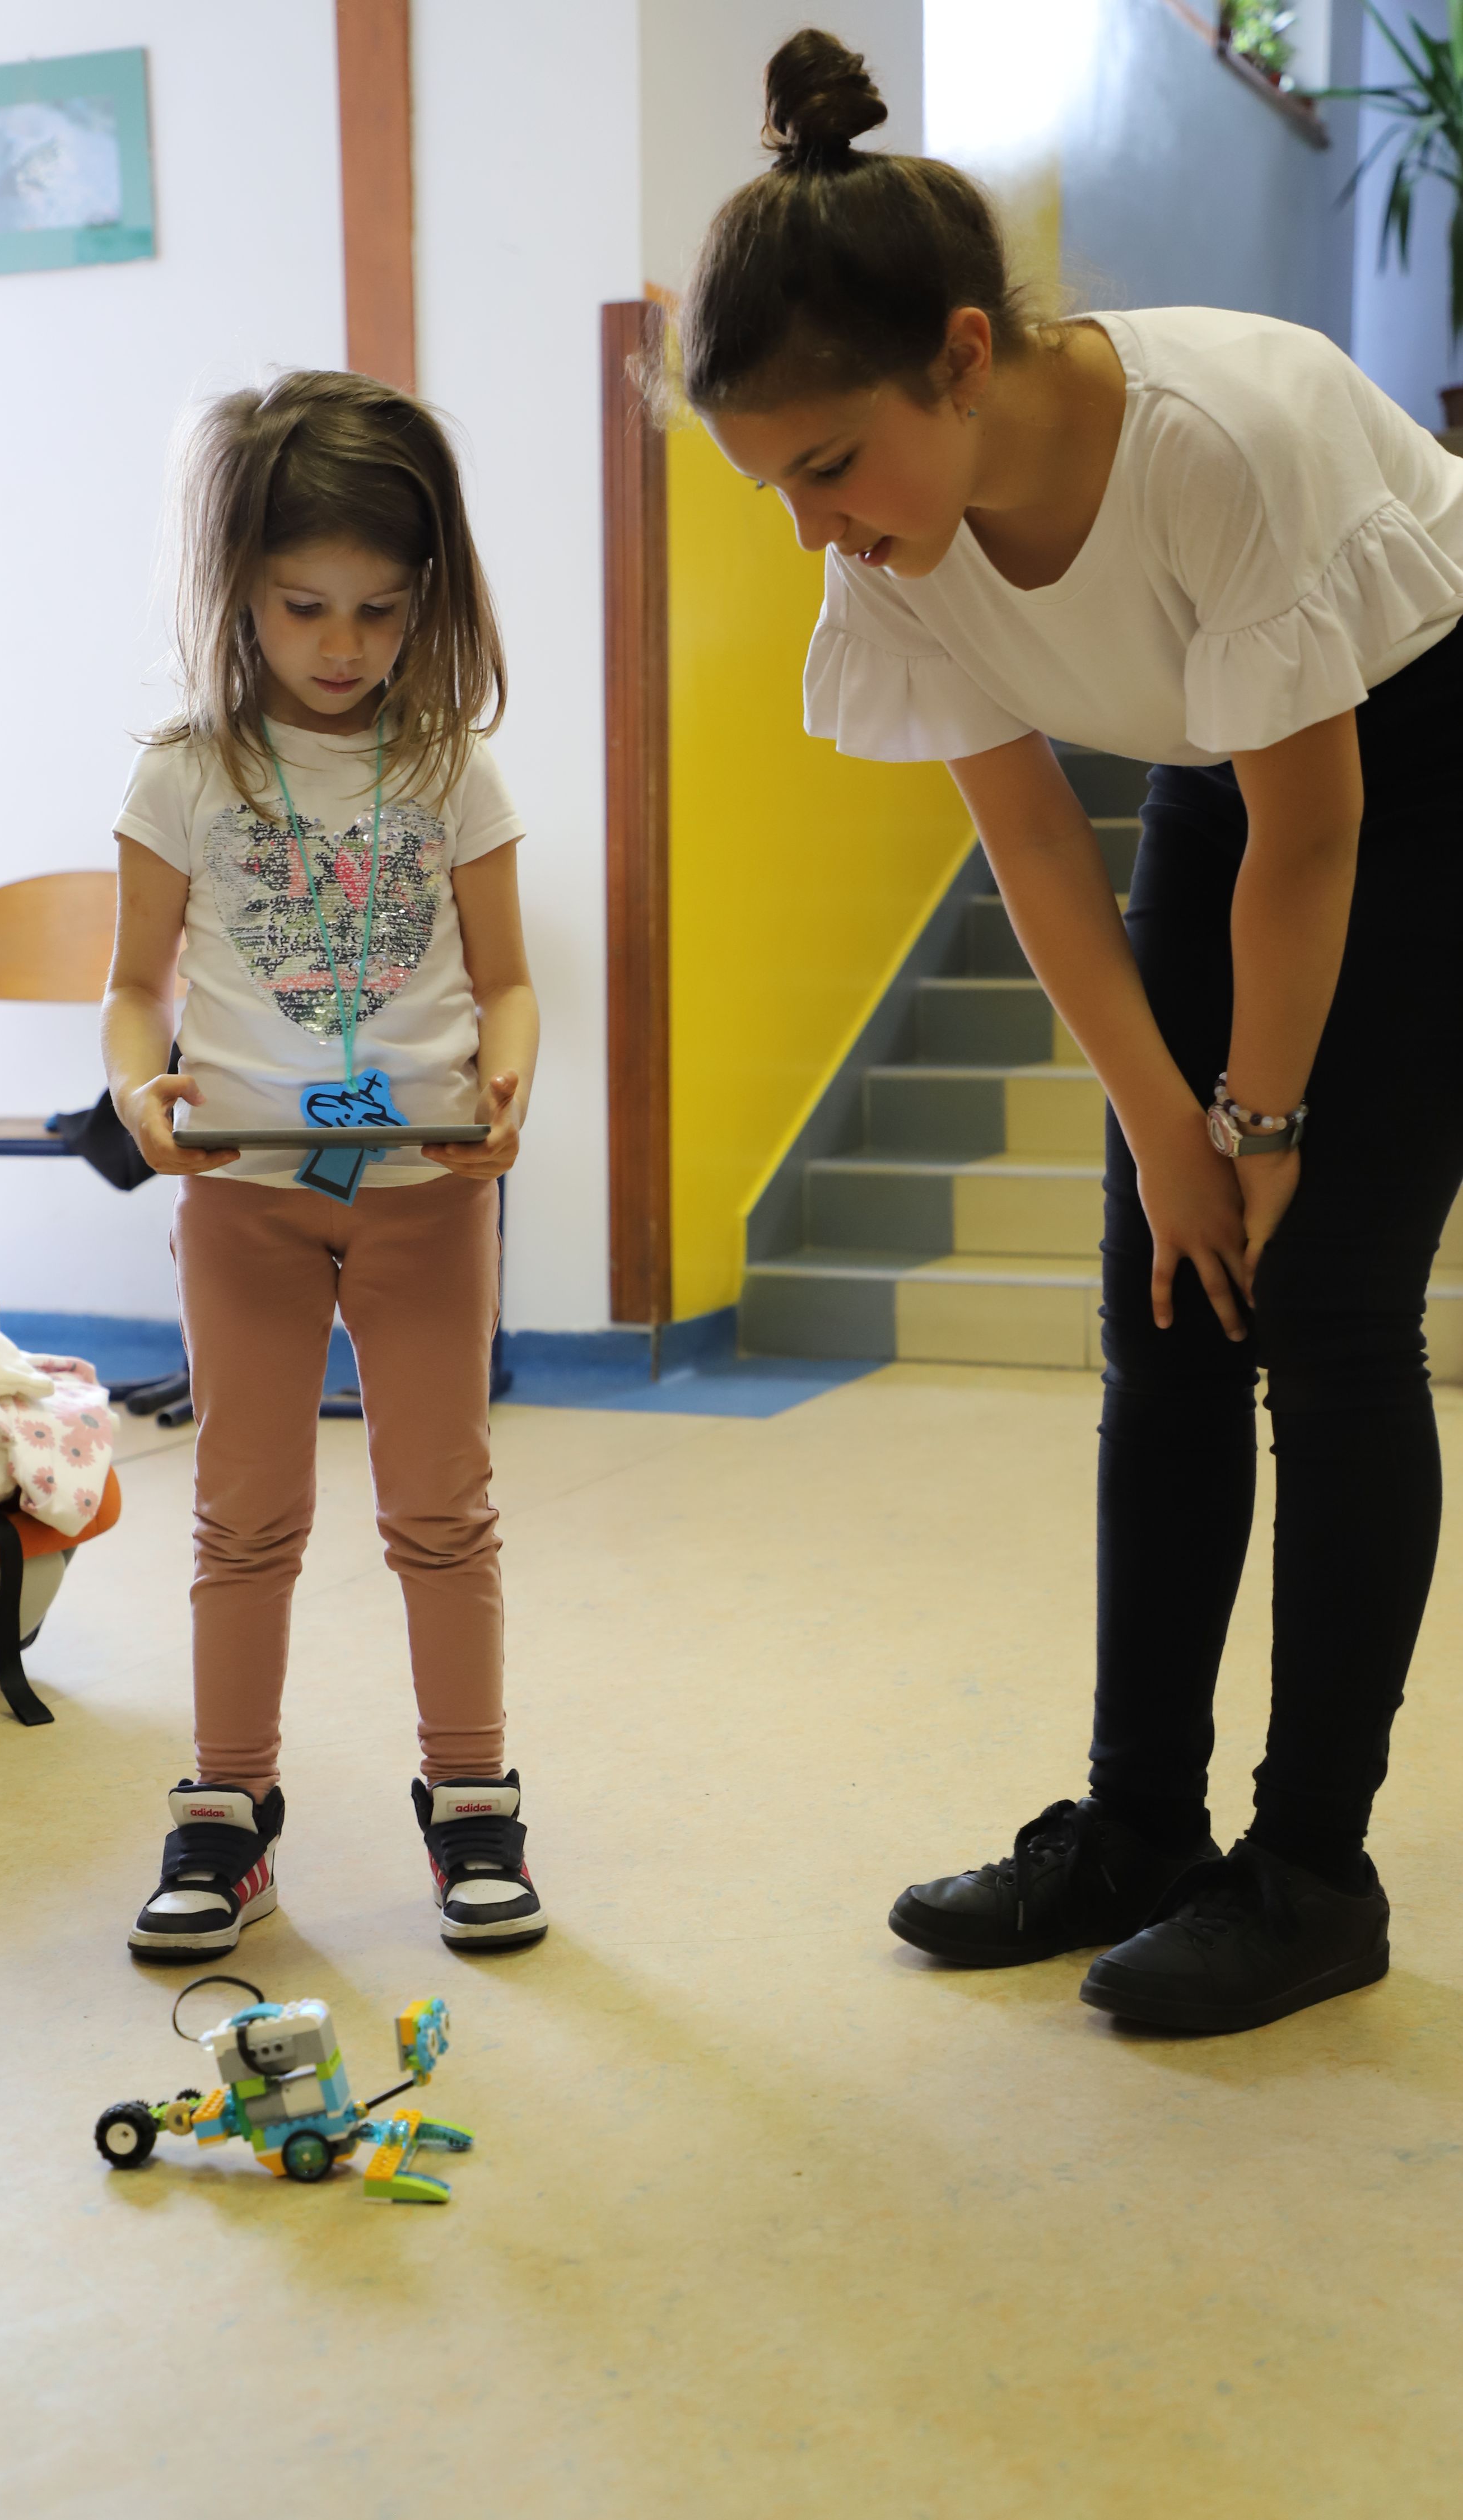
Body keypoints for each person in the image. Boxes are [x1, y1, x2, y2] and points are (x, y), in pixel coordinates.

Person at [672, 29, 1463, 2032]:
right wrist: (1167, 1133)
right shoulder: (896, 545)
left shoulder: (1219, 438)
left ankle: (1316, 1869)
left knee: (1330, 1312)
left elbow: (1318, 828)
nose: (813, 530)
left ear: (963, 355)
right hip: (1228, 752)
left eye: (828, 466)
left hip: (1426, 754)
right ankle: (1140, 1827)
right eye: (773, 489)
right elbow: (1035, 844)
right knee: (1165, 1301)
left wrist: (1258, 1119)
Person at [103, 371, 546, 1961]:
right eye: (305, 607)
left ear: (427, 599)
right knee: (244, 1514)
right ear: (239, 590)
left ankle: (472, 1798)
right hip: (244, 1195)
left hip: (428, 1190)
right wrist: (138, 1088)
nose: (344, 645)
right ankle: (228, 1810)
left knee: (442, 1506)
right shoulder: (182, 775)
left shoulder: (451, 772)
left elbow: (507, 982)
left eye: (381, 609)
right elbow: (131, 990)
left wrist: (509, 1073)